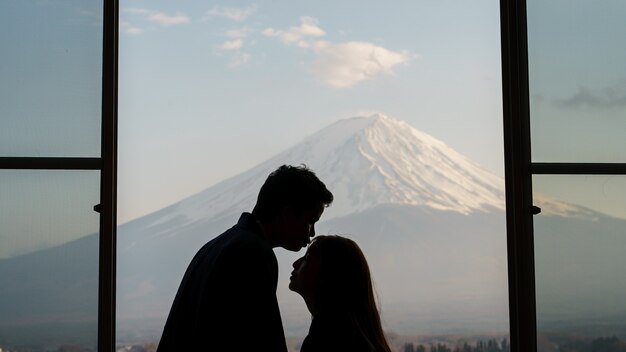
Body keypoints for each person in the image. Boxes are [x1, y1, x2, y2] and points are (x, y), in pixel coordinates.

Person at [157, 165, 333, 352]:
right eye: (310, 221)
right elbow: (260, 337)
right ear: (287, 215)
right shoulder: (252, 253)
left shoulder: (216, 246)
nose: (312, 233)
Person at [289, 235, 392, 352]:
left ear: (328, 273)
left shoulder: (325, 336)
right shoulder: (353, 334)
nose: (295, 263)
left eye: (307, 258)